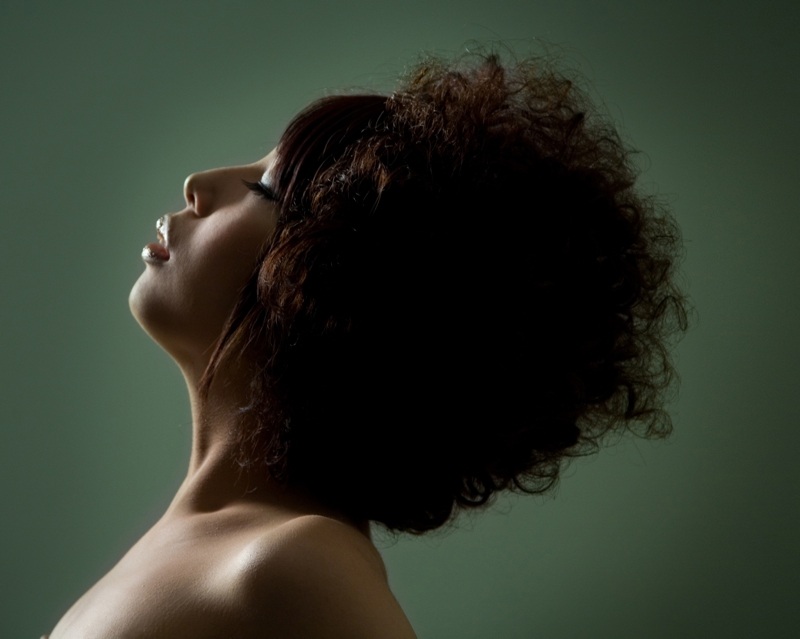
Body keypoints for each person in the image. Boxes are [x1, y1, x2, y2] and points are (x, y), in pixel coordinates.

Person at [45, 51, 688, 638]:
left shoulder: (299, 566)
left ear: (333, 283)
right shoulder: (208, 547)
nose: (200, 181)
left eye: (267, 189)